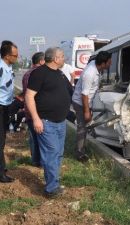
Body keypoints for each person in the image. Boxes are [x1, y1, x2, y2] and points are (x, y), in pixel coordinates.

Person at [25, 47, 72, 197]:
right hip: (46, 122)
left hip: (60, 122)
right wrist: (36, 119)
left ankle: (54, 181)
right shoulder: (39, 73)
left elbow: (69, 91)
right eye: (63, 56)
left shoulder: (60, 74)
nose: (65, 58)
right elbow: (29, 96)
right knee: (50, 154)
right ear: (55, 59)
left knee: (58, 153)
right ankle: (51, 188)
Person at [72, 51, 112, 162]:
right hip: (80, 102)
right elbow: (84, 94)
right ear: (103, 63)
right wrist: (86, 111)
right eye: (109, 62)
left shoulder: (96, 65)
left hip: (85, 101)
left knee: (85, 126)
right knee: (82, 128)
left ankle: (82, 147)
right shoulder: (90, 73)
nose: (111, 64)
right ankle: (80, 154)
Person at [22, 51, 45, 167]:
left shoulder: (27, 73)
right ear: (41, 61)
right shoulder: (39, 73)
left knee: (33, 137)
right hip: (36, 110)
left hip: (28, 110)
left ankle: (35, 160)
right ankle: (39, 161)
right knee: (40, 138)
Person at [0, 40, 18, 183]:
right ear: (7, 56)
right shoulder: (1, 68)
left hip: (6, 106)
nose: (16, 58)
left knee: (3, 139)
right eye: (15, 56)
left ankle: (2, 167)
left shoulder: (8, 67)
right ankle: (1, 174)